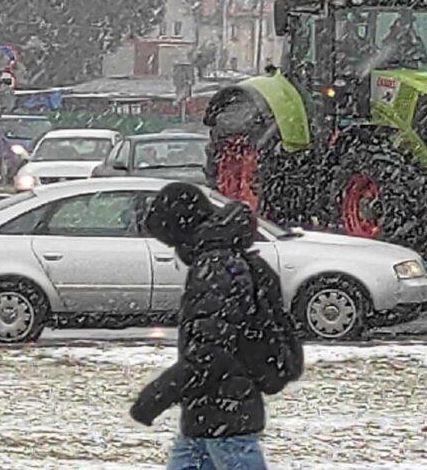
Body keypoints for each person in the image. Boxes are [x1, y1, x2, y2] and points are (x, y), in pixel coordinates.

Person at [130, 183, 303, 470]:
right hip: (210, 415)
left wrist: (157, 396)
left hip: (224, 416)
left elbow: (209, 353)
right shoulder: (219, 259)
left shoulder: (216, 268)